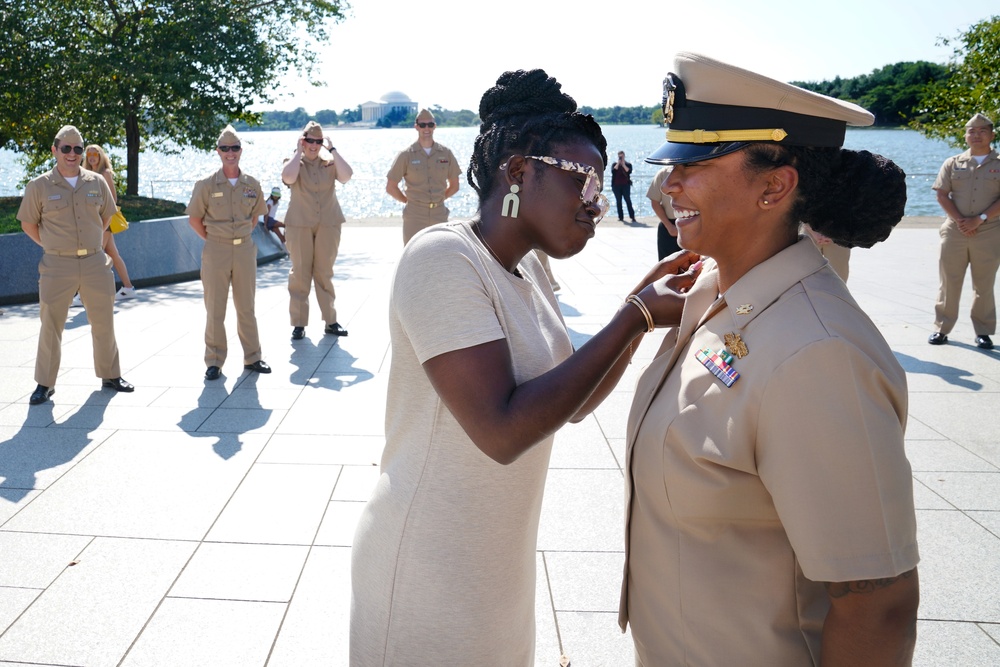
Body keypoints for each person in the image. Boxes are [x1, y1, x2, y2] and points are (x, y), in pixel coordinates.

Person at [351, 68, 700, 665]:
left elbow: (570, 403)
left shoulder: (531, 267)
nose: (596, 203)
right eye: (585, 181)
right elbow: (503, 431)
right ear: (519, 172)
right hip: (426, 566)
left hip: (495, 565)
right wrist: (634, 317)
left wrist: (634, 308)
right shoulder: (442, 257)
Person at [620, 53, 919, 665]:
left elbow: (877, 603)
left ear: (775, 185)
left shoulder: (819, 355)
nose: (669, 184)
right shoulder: (715, 292)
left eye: (694, 164)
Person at [17, 125, 135, 404]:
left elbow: (106, 218)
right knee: (51, 325)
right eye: (66, 148)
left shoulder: (96, 182)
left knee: (104, 322)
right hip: (57, 264)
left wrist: (92, 243)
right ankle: (44, 383)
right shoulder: (39, 186)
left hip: (95, 262)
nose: (72, 154)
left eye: (78, 149)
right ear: (54, 150)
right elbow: (28, 224)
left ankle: (110, 375)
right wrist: (51, 245)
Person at [186, 124, 271, 381]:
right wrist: (215, 239)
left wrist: (238, 237)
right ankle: (214, 361)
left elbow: (255, 217)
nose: (230, 152)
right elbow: (194, 220)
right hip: (216, 251)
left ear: (240, 151)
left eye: (234, 148)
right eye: (225, 148)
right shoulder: (206, 185)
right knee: (215, 309)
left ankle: (253, 357)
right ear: (218, 151)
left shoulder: (252, 184)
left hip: (244, 249)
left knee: (246, 306)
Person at [928, 112, 1000, 349]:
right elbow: (941, 194)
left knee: (984, 283)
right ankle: (942, 329)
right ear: (966, 135)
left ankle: (983, 331)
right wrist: (960, 220)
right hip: (955, 231)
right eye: (972, 131)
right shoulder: (953, 162)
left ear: (992, 134)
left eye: (982, 131)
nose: (976, 135)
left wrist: (979, 219)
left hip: (989, 231)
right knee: (949, 281)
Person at [281, 121, 353, 339]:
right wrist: (298, 150)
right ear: (303, 140)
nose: (314, 145)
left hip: (328, 224)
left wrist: (333, 150)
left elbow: (347, 176)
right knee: (300, 273)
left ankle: (331, 321)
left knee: (324, 273)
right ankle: (299, 324)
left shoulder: (330, 163)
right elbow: (288, 177)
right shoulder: (292, 162)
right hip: (299, 224)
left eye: (318, 141)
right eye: (310, 140)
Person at [385, 108, 462, 244]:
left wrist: (440, 198)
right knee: (413, 258)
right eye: (422, 125)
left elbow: (455, 185)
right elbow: (391, 187)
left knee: (441, 255)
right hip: (414, 216)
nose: (426, 128)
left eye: (430, 124)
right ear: (416, 127)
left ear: (435, 126)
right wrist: (407, 201)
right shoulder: (406, 155)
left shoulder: (446, 153)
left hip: (439, 214)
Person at [647, 165, 680, 260]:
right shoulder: (663, 173)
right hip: (668, 226)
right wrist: (670, 227)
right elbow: (655, 202)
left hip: (691, 223)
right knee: (667, 265)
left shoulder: (694, 171)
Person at [611, 150, 637, 222]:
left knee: (628, 200)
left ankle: (632, 216)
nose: (620, 158)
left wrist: (623, 164)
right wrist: (618, 163)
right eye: (619, 156)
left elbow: (629, 171)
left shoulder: (628, 164)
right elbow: (613, 171)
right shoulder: (614, 164)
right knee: (618, 201)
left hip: (626, 185)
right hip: (616, 186)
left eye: (622, 156)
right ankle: (621, 217)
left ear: (624, 156)